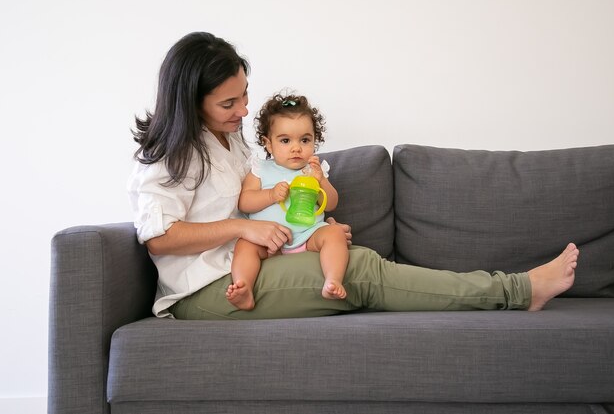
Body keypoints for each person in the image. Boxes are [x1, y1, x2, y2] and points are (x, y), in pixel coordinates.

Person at [127, 31, 579, 320]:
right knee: (361, 269)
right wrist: (246, 226)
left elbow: (270, 205)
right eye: (229, 104)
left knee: (347, 253)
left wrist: (306, 228)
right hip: (206, 291)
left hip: (249, 264)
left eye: (244, 96)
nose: (243, 110)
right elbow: (159, 236)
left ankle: (514, 289)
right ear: (191, 100)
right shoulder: (169, 154)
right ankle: (518, 290)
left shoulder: (234, 143)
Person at [228, 93, 348, 311]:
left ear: (314, 140)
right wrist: (271, 195)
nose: (296, 148)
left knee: (334, 234)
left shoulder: (314, 170)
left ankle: (333, 280)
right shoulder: (260, 169)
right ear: (269, 144)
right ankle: (243, 286)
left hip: (307, 235)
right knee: (244, 245)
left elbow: (331, 204)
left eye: (305, 140)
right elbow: (244, 202)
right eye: (285, 140)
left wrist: (321, 181)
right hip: (266, 243)